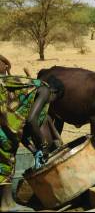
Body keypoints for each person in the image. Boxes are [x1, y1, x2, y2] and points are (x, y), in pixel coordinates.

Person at [1, 75, 63, 212]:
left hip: (5, 121)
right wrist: (43, 145)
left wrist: (34, 150)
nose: (49, 104)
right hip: (3, 125)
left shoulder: (28, 91)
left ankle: (6, 202)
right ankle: (6, 204)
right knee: (6, 161)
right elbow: (31, 120)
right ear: (55, 92)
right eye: (54, 101)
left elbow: (21, 124)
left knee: (4, 161)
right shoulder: (45, 90)